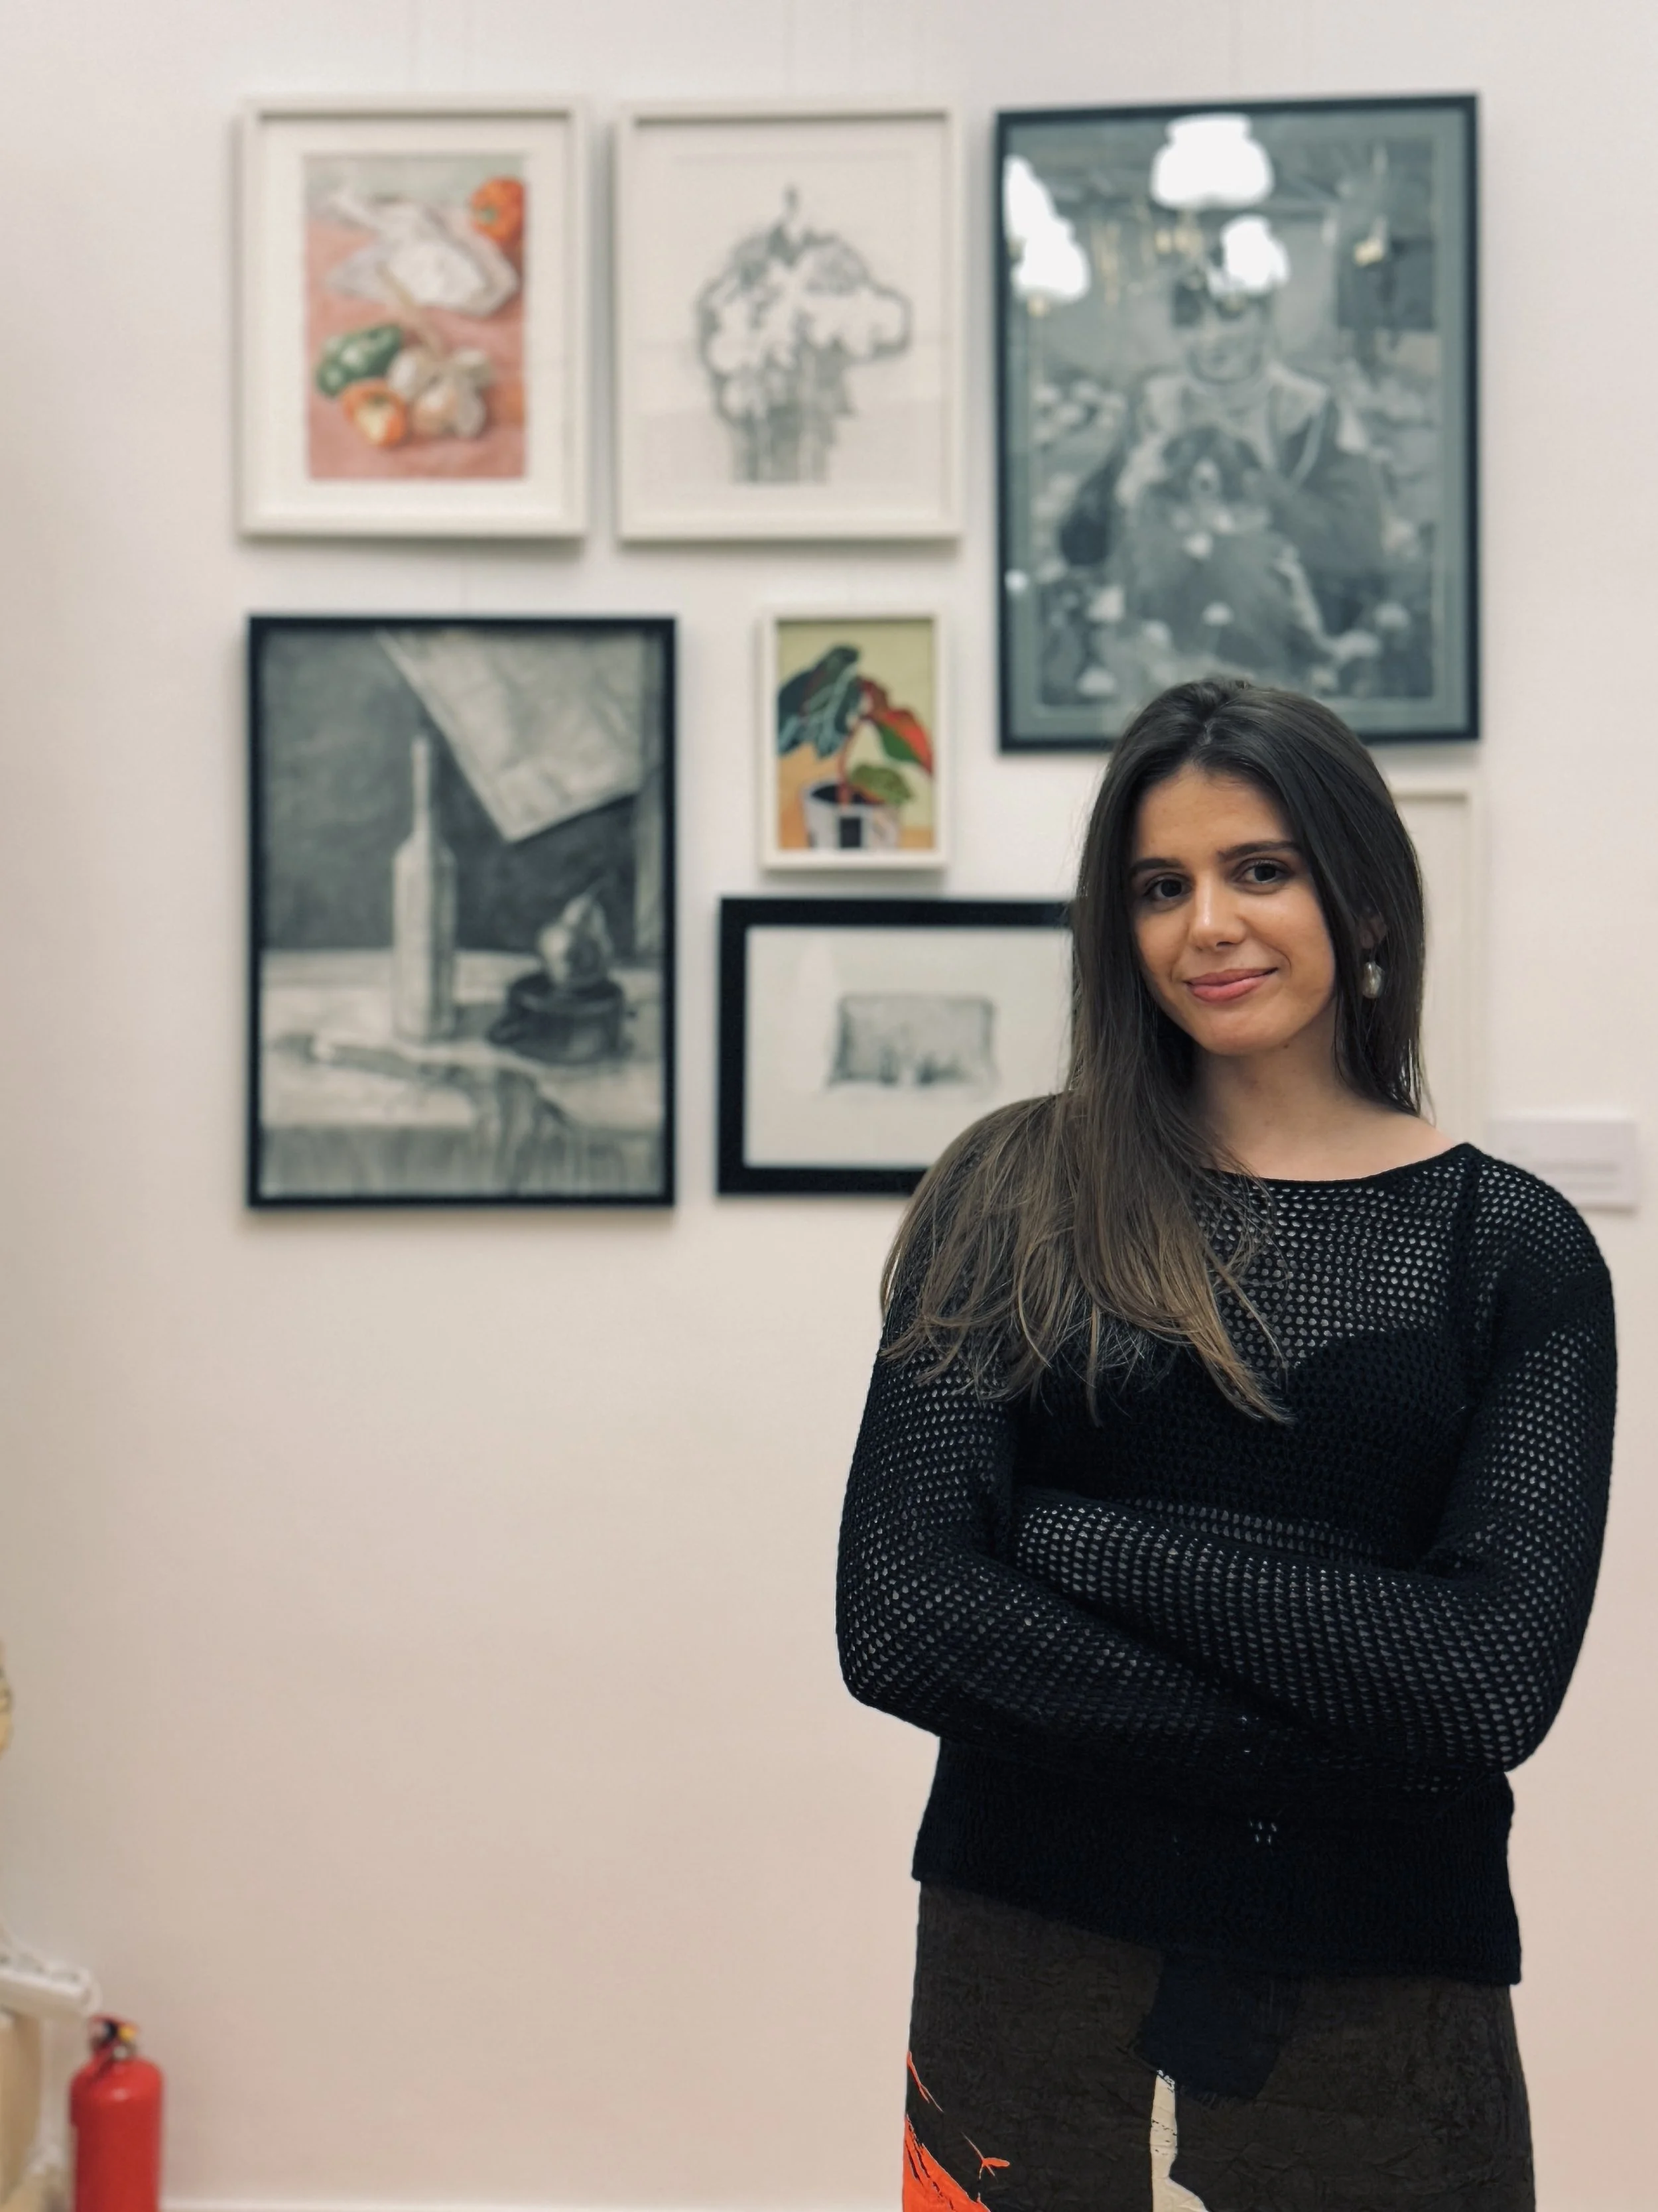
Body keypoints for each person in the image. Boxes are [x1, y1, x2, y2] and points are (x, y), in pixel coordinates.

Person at [836, 678, 1616, 2210]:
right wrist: (1344, 1688)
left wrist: (1064, 1537)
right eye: (1157, 885)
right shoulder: (1011, 1188)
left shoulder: (1509, 1247)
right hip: (1030, 1961)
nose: (1207, 925)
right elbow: (904, 1615)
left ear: (1362, 897)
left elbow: (1482, 1681)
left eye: (1258, 868)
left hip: (1384, 1995)